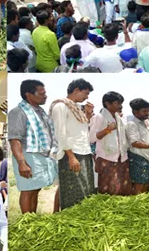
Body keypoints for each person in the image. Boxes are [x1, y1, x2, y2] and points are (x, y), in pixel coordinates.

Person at [8, 80, 57, 213]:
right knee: (28, 190)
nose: (45, 96)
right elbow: (14, 139)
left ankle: (32, 218)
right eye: (42, 93)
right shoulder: (18, 112)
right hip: (27, 155)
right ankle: (26, 221)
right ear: (29, 95)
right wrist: (22, 163)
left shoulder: (40, 112)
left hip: (39, 156)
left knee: (35, 189)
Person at [50, 79, 95, 209]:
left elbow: (81, 130)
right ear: (76, 90)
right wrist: (71, 156)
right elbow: (61, 133)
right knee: (72, 191)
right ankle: (69, 220)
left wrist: (87, 114)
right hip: (72, 153)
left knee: (84, 189)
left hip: (83, 152)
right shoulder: (60, 106)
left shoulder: (75, 108)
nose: (87, 97)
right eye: (85, 93)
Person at [89, 91, 131, 195]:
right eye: (118, 103)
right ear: (108, 104)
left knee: (122, 188)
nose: (120, 106)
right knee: (108, 190)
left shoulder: (119, 118)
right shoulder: (99, 117)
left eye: (121, 103)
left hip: (122, 158)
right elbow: (91, 138)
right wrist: (108, 129)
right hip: (107, 158)